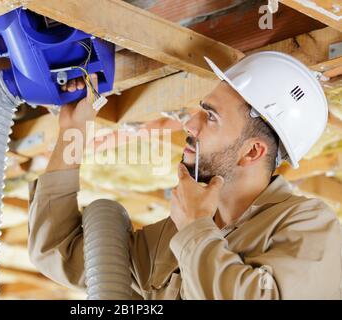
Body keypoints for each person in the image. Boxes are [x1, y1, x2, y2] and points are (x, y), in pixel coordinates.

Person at [27, 52, 342, 299]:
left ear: (252, 152)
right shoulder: (172, 235)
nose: (190, 124)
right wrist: (73, 131)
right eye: (201, 110)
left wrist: (195, 228)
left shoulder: (312, 228)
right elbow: (59, 250)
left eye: (211, 117)